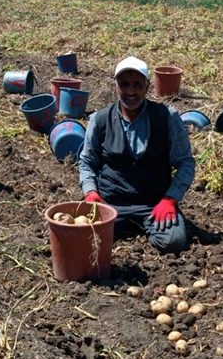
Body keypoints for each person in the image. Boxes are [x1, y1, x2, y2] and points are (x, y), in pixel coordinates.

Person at [78, 57, 196, 254]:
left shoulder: (167, 116)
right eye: (124, 84)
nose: (130, 91)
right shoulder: (99, 119)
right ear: (116, 86)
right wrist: (91, 193)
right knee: (82, 237)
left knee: (174, 242)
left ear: (147, 86)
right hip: (112, 203)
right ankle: (119, 224)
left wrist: (170, 199)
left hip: (153, 204)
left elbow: (185, 163)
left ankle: (139, 224)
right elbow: (87, 162)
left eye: (137, 85)